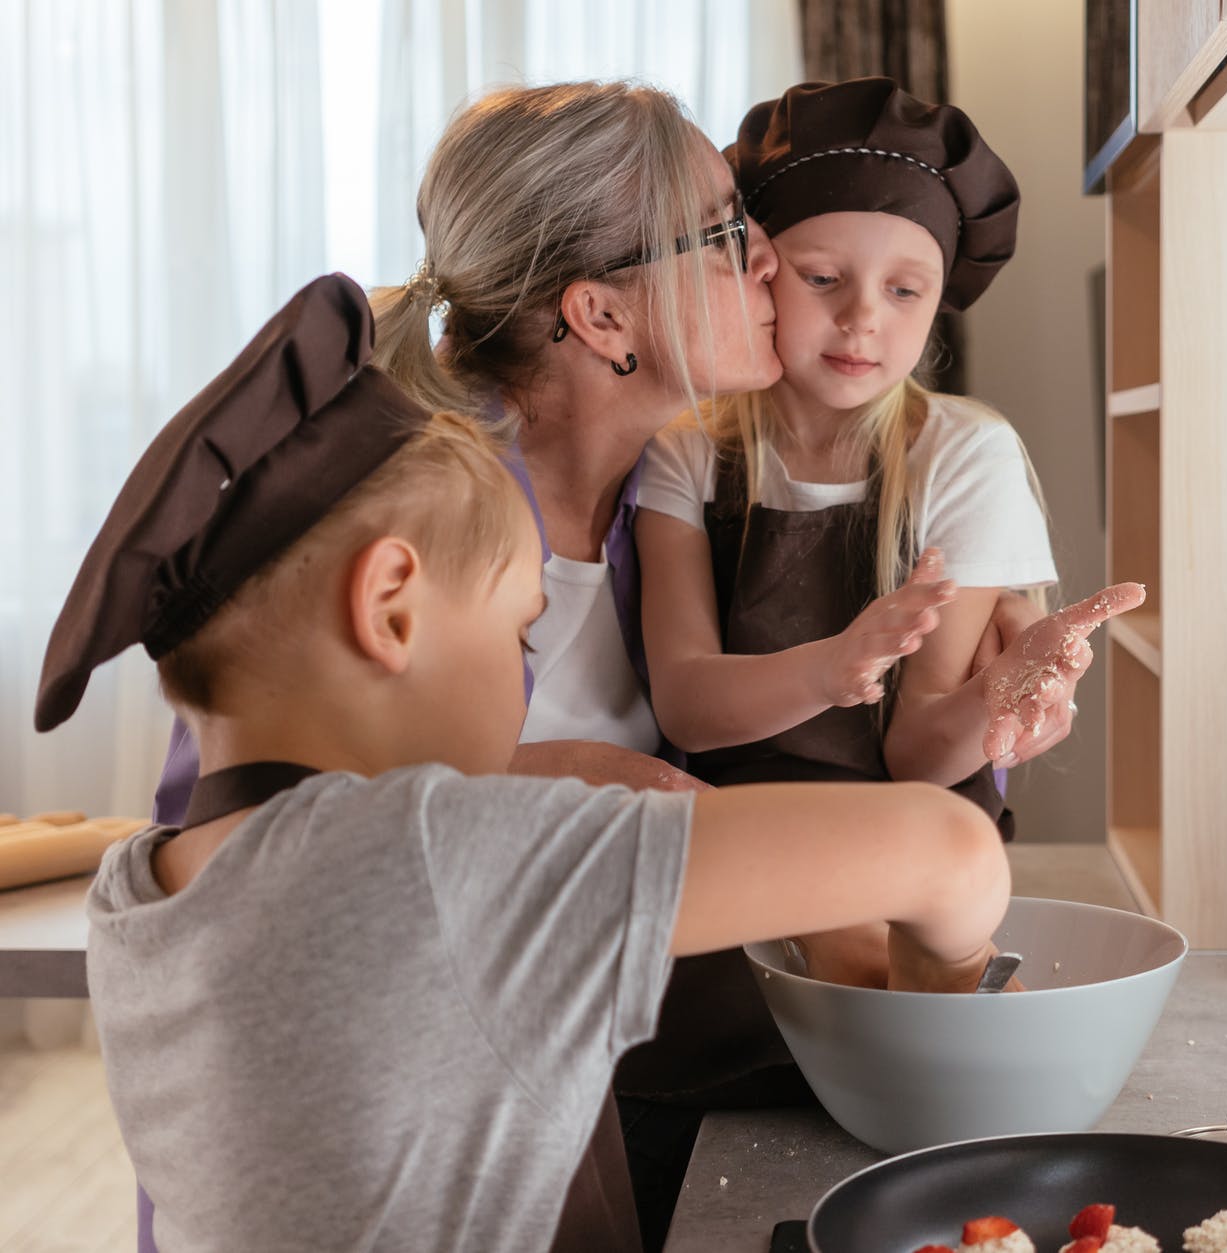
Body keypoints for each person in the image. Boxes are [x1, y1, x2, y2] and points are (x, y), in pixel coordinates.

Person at [37, 273, 1011, 1253]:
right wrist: (937, 1014)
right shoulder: (427, 860)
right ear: (391, 609)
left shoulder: (140, 891)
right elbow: (949, 848)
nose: (522, 681)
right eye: (521, 635)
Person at [635, 78, 1145, 989]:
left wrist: (1001, 690)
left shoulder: (964, 457)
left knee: (896, 1023)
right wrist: (831, 669)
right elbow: (688, 708)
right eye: (823, 278)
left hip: (913, 858)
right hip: (737, 842)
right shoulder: (686, 456)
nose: (863, 316)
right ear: (758, 271)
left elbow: (916, 757)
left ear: (940, 299)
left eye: (905, 290)